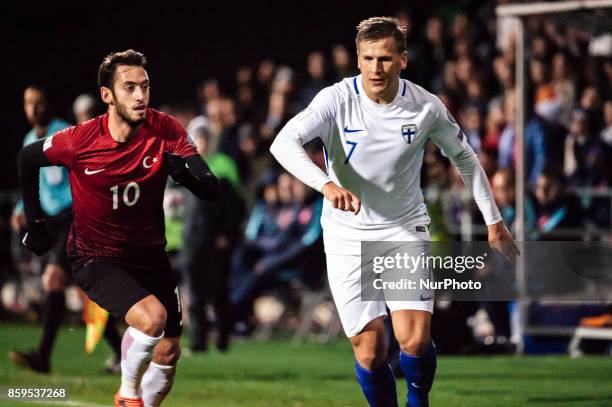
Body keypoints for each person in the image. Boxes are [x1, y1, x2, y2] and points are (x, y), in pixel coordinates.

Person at [270, 17, 518, 407]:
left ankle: (419, 399)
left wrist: (494, 221)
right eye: (367, 58)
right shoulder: (335, 100)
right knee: (369, 351)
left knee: (415, 340)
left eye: (384, 58)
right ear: (357, 58)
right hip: (346, 236)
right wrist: (326, 184)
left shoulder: (425, 107)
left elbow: (466, 160)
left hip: (403, 229)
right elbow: (283, 143)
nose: (375, 68)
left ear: (402, 59)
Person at [17, 50, 220, 407]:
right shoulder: (79, 140)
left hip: (149, 255)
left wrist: (184, 173)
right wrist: (35, 222)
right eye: (129, 88)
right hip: (96, 256)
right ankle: (127, 396)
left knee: (169, 352)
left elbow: (210, 187)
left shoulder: (165, 128)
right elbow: (27, 158)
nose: (140, 96)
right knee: (152, 320)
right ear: (107, 95)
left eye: (145, 86)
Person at [10, 86, 124, 375]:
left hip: (75, 217)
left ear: (49, 104)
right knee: (86, 293)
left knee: (53, 280)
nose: (33, 109)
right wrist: (20, 211)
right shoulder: (28, 140)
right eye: (28, 103)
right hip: (54, 223)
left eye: (39, 102)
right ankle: (124, 353)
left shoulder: (65, 134)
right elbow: (32, 185)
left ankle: (43, 356)